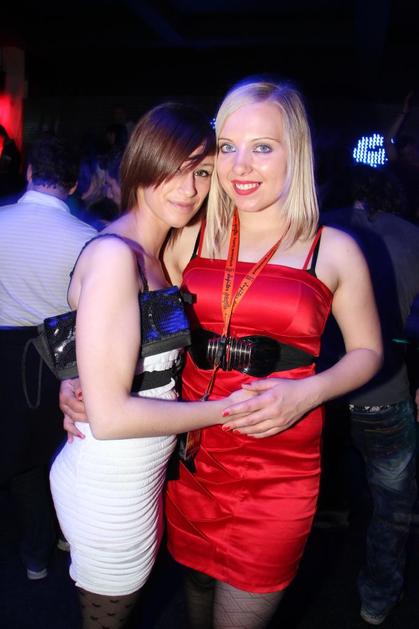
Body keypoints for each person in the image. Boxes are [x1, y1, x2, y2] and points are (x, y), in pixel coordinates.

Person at [61, 79, 382, 629]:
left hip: (277, 460)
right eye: (228, 147)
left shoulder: (334, 249)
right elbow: (114, 306)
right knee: (195, 586)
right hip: (190, 452)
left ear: (296, 151)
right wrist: (75, 380)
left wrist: (310, 391)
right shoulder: (192, 234)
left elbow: (369, 351)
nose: (240, 166)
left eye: (263, 147)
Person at [49, 102, 254, 629]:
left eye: (202, 172)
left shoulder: (156, 253)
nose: (189, 188)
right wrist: (228, 410)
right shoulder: (116, 256)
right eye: (175, 168)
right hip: (109, 486)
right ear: (142, 161)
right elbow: (111, 416)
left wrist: (72, 381)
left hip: (135, 479)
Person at [322, 165, 419, 626]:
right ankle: (377, 599)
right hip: (383, 392)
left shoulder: (320, 227)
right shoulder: (412, 236)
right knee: (392, 505)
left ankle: (275, 587)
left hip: (316, 392)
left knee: (296, 492)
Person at [0, 135, 96, 580]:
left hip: (5, 351)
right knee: (49, 451)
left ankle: (36, 549)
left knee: (18, 453)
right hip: (54, 359)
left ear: (29, 173)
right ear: (74, 185)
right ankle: (46, 547)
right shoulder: (89, 239)